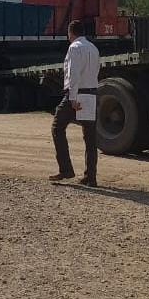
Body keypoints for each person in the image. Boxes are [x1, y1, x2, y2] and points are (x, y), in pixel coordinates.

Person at [49, 20, 100, 187]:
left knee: (57, 127)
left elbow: (73, 74)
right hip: (92, 94)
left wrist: (72, 98)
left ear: (70, 33)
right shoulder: (93, 48)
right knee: (90, 137)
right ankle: (90, 177)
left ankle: (66, 169)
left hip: (78, 95)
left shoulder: (74, 48)